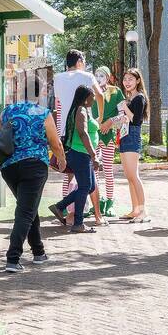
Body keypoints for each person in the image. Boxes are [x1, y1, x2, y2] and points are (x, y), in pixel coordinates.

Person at [0, 96, 67, 272]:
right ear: (39, 95)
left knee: (28, 207)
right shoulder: (43, 113)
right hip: (34, 166)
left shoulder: (7, 112)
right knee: (25, 211)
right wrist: (61, 159)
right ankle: (13, 258)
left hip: (9, 167)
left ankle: (38, 251)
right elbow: (55, 142)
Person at [53, 50, 102, 217]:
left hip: (64, 131)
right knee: (87, 180)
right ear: (80, 61)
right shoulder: (87, 76)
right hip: (82, 130)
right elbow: (100, 95)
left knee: (69, 174)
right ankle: (87, 216)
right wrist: (99, 118)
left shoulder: (58, 78)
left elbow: (58, 104)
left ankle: (67, 212)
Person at [50, 85, 101, 233]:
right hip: (80, 154)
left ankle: (60, 206)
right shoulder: (81, 110)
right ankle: (78, 223)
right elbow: (83, 133)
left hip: (81, 155)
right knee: (85, 187)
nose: (93, 100)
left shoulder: (82, 110)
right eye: (92, 97)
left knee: (89, 186)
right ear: (86, 98)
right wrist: (94, 155)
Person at [117, 69, 149, 222]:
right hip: (124, 136)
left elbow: (135, 120)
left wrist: (124, 107)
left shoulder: (139, 98)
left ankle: (143, 211)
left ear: (137, 81)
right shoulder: (130, 99)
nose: (127, 82)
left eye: (130, 79)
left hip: (132, 136)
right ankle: (135, 210)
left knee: (134, 176)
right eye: (125, 79)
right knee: (129, 176)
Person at [93, 66, 125, 218]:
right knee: (94, 170)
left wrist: (109, 122)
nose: (99, 78)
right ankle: (97, 202)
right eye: (96, 75)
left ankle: (110, 202)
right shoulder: (91, 92)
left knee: (108, 169)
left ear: (108, 77)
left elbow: (123, 114)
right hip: (92, 136)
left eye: (102, 75)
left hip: (108, 136)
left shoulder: (116, 91)